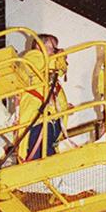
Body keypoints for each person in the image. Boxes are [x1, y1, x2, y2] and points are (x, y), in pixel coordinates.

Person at [17, 33, 68, 162]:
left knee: (48, 155)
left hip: (51, 121)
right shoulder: (31, 58)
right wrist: (59, 58)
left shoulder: (50, 78)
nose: (55, 51)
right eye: (52, 48)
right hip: (38, 120)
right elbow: (48, 65)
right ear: (39, 47)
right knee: (41, 156)